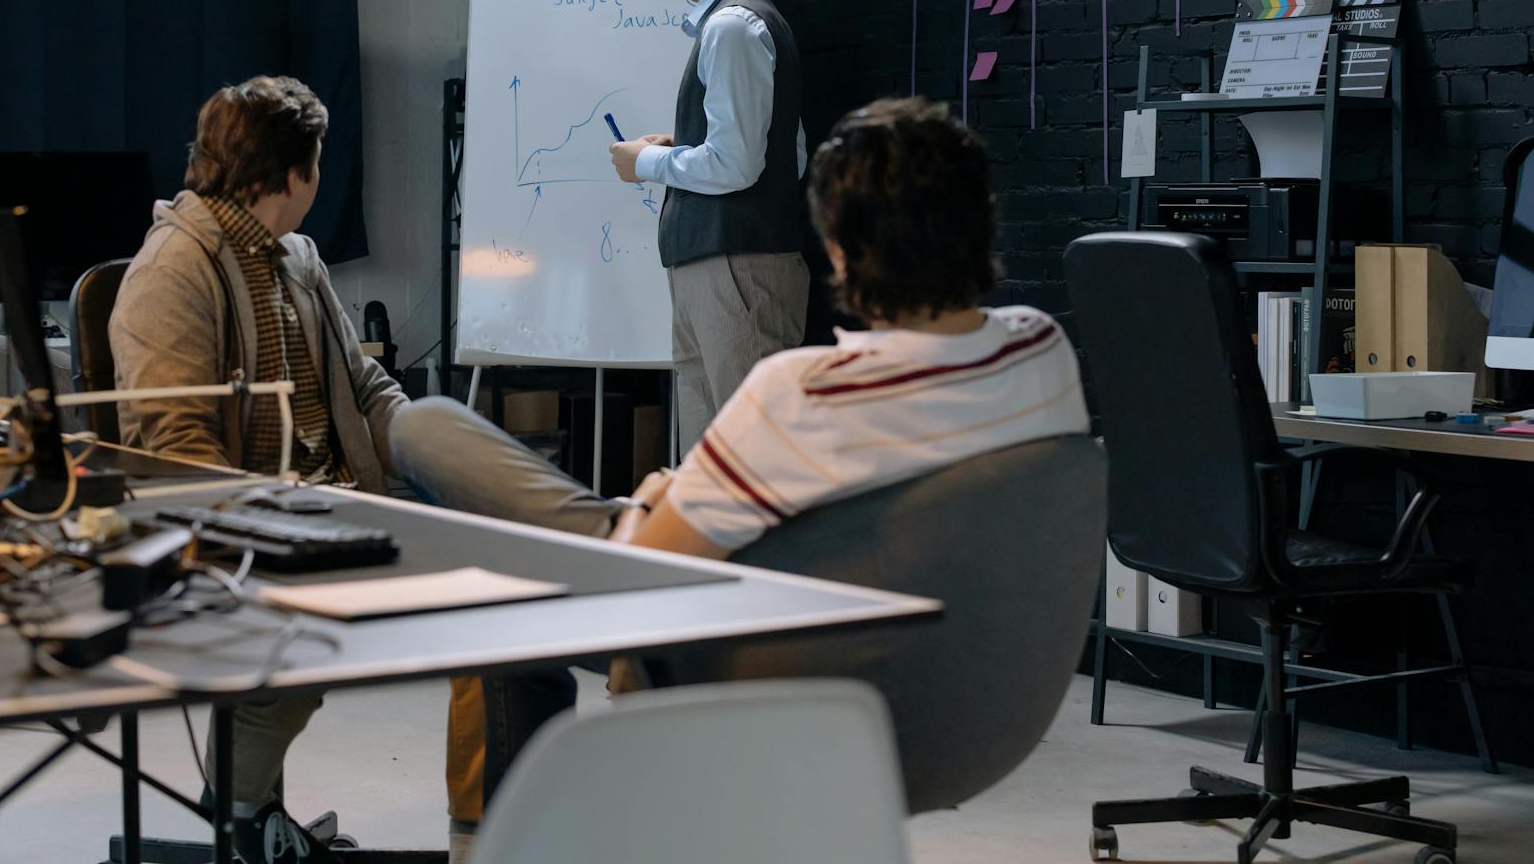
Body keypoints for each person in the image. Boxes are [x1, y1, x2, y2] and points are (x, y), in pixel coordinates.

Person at [441, 95, 1091, 825]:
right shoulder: (1042, 349)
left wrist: (658, 499)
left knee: (438, 442)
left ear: (842, 252)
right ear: (983, 223)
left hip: (768, 671)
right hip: (976, 713)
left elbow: (639, 571)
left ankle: (500, 830)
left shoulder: (803, 393)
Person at [109, 76, 625, 864]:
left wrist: (431, 449)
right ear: (297, 175)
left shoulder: (297, 258)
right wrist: (292, 524)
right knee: (482, 580)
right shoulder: (172, 273)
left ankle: (500, 837)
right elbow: (176, 457)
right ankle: (243, 815)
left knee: (500, 566)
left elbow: (369, 391)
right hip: (259, 530)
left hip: (345, 507)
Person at [609, 0, 810, 450]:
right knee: (719, 455)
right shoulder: (745, 21)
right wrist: (682, 148)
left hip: (735, 263)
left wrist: (646, 164)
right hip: (724, 264)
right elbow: (783, 154)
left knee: (747, 455)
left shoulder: (732, 26)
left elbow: (738, 164)